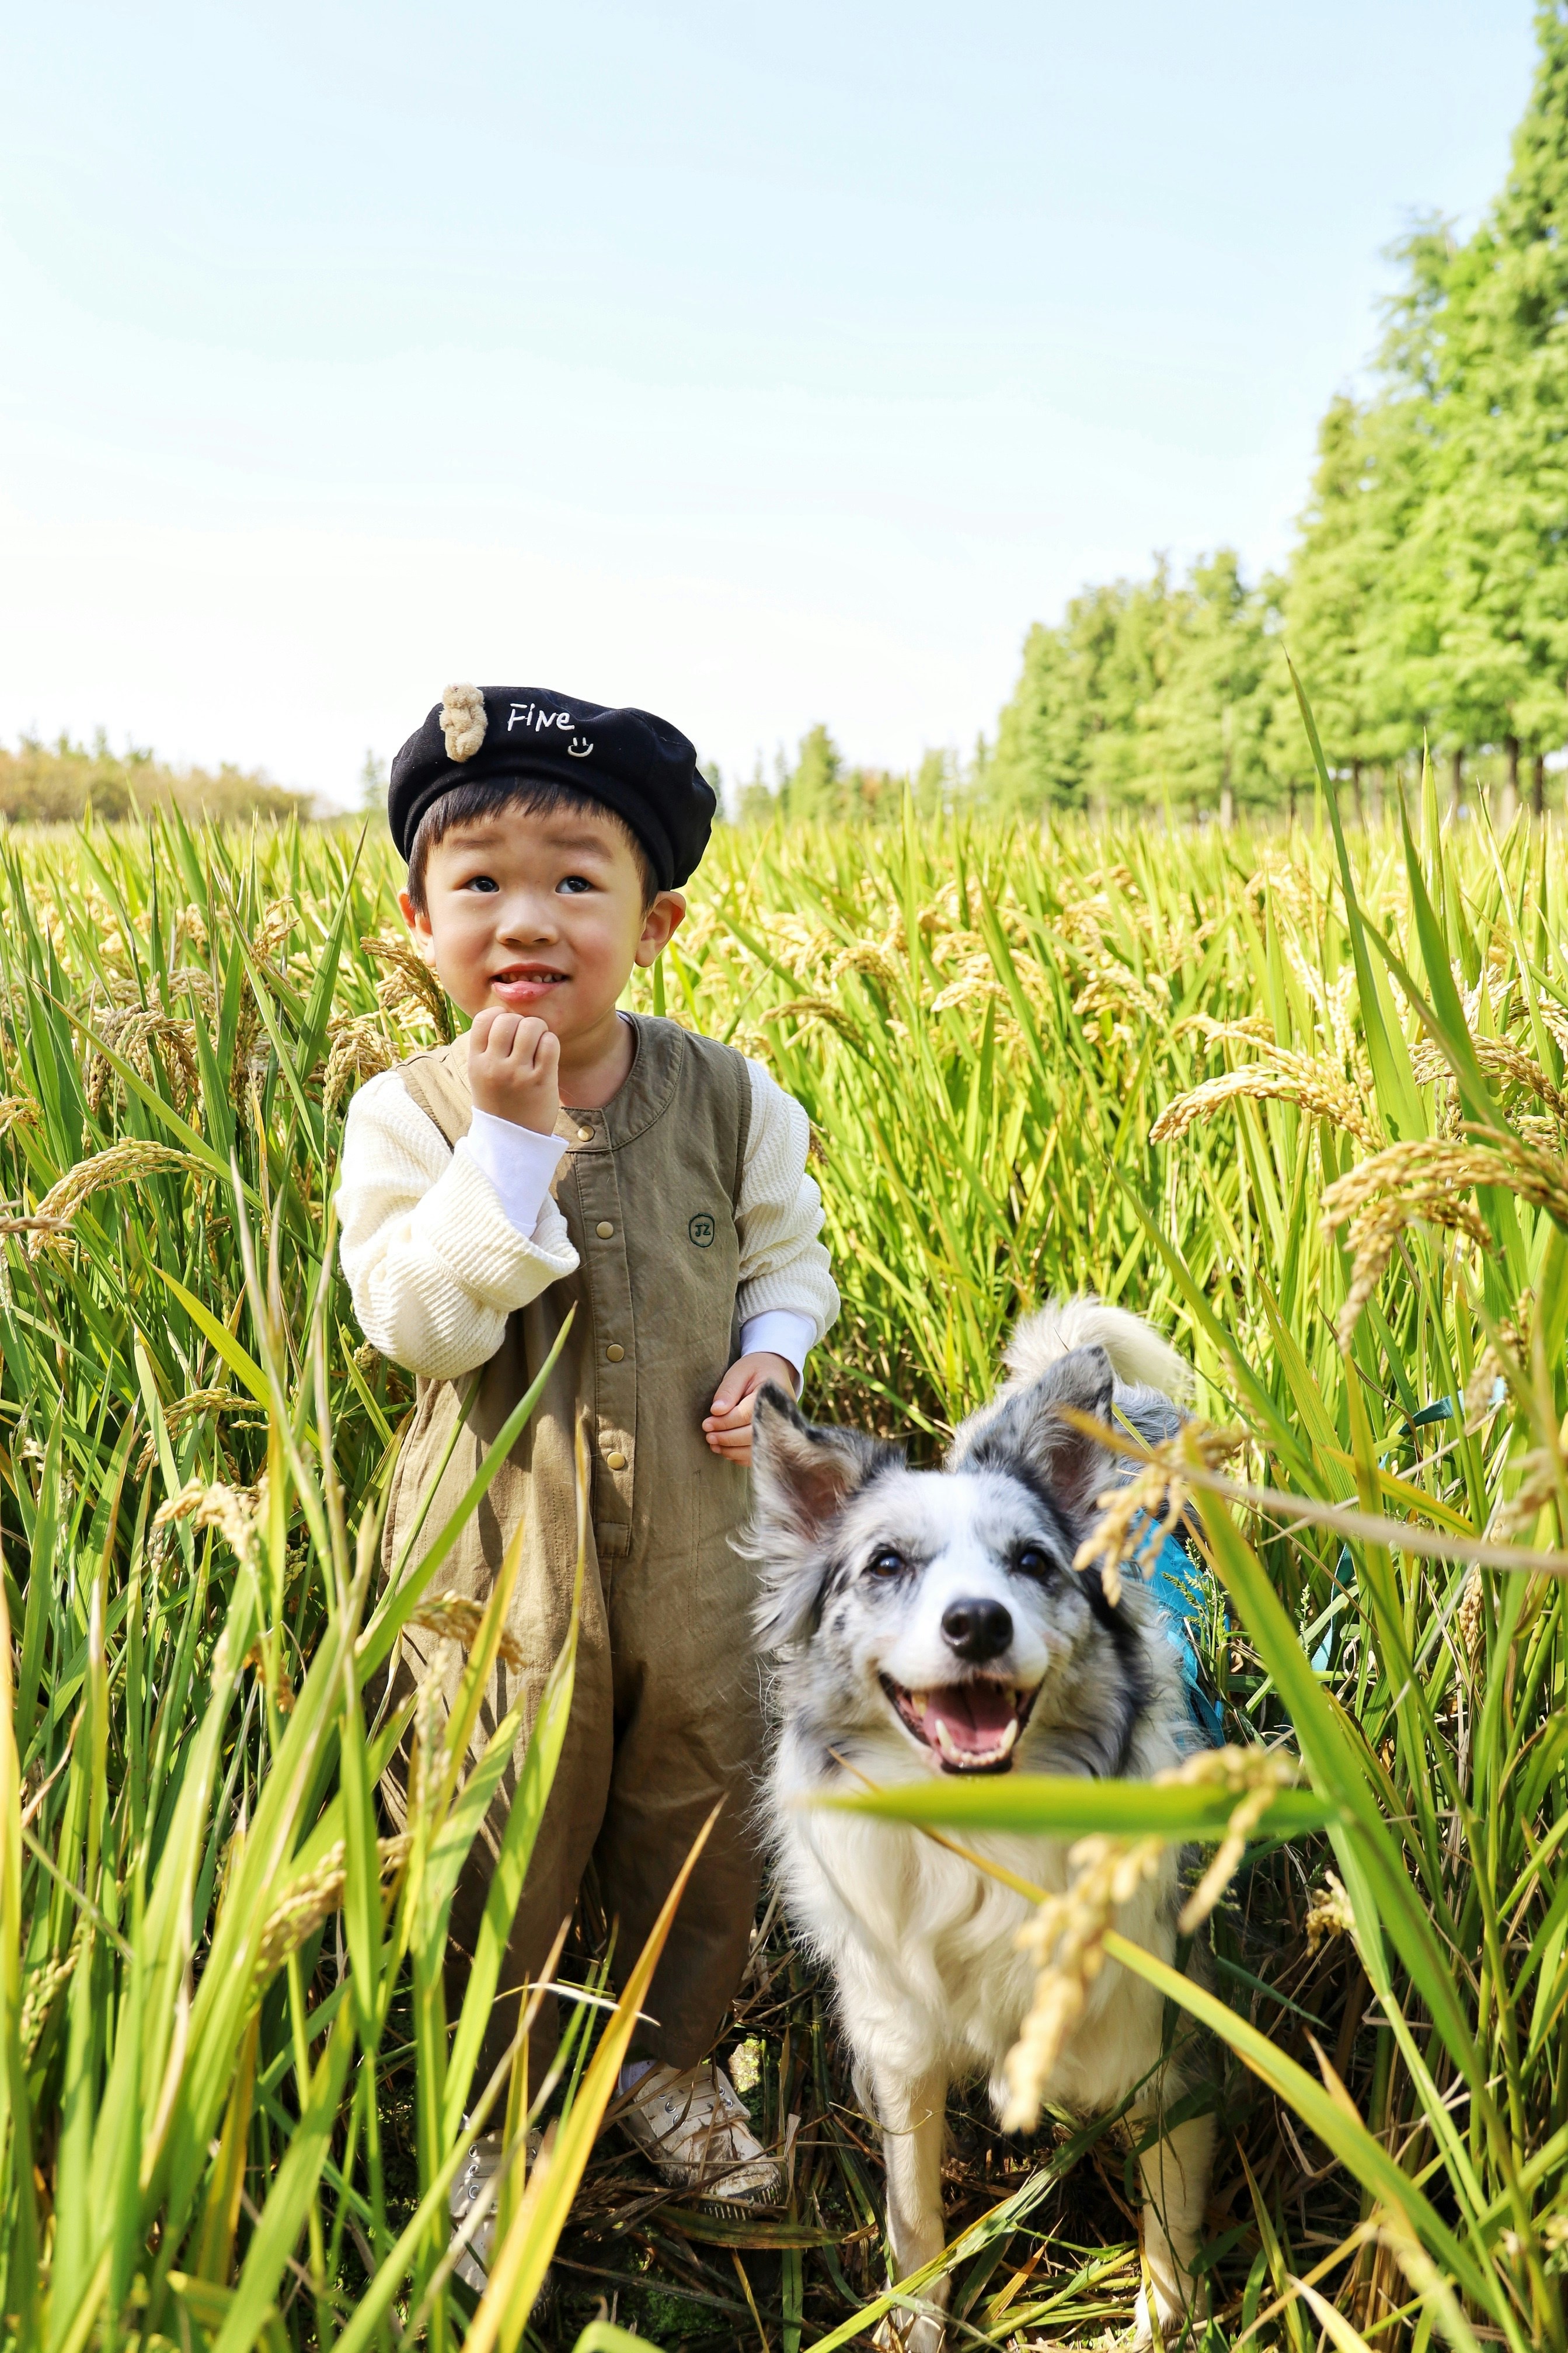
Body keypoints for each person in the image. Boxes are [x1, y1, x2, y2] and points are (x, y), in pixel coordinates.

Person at [337, 684, 838, 2270]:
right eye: (479, 883)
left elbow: (788, 1259)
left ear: (656, 921)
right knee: (500, 1809)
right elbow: (416, 1325)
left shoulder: (731, 1096)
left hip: (701, 1533)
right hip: (498, 1549)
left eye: (576, 881)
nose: (526, 919)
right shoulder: (405, 1115)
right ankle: (497, 2109)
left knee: (700, 1793)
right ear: (418, 922)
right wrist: (507, 1143)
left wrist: (775, 1355)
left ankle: (668, 2061)